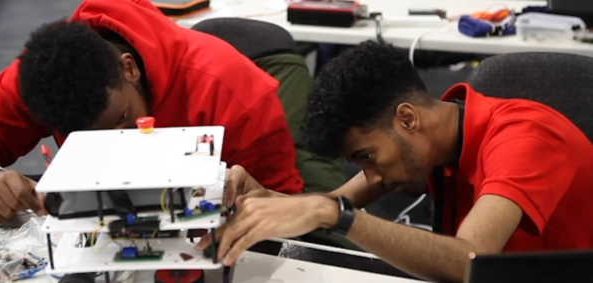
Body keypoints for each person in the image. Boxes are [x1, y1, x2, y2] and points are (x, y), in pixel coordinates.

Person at [197, 41, 593, 282]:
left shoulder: (525, 137)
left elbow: (470, 261)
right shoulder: (439, 135)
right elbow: (336, 200)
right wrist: (266, 200)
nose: (371, 177)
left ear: (408, 118)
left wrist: (337, 214)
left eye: (368, 157)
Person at [0, 0, 304, 223]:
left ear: (130, 68)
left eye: (121, 121)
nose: (115, 146)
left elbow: (289, 209)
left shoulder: (233, 91)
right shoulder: (44, 75)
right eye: (85, 139)